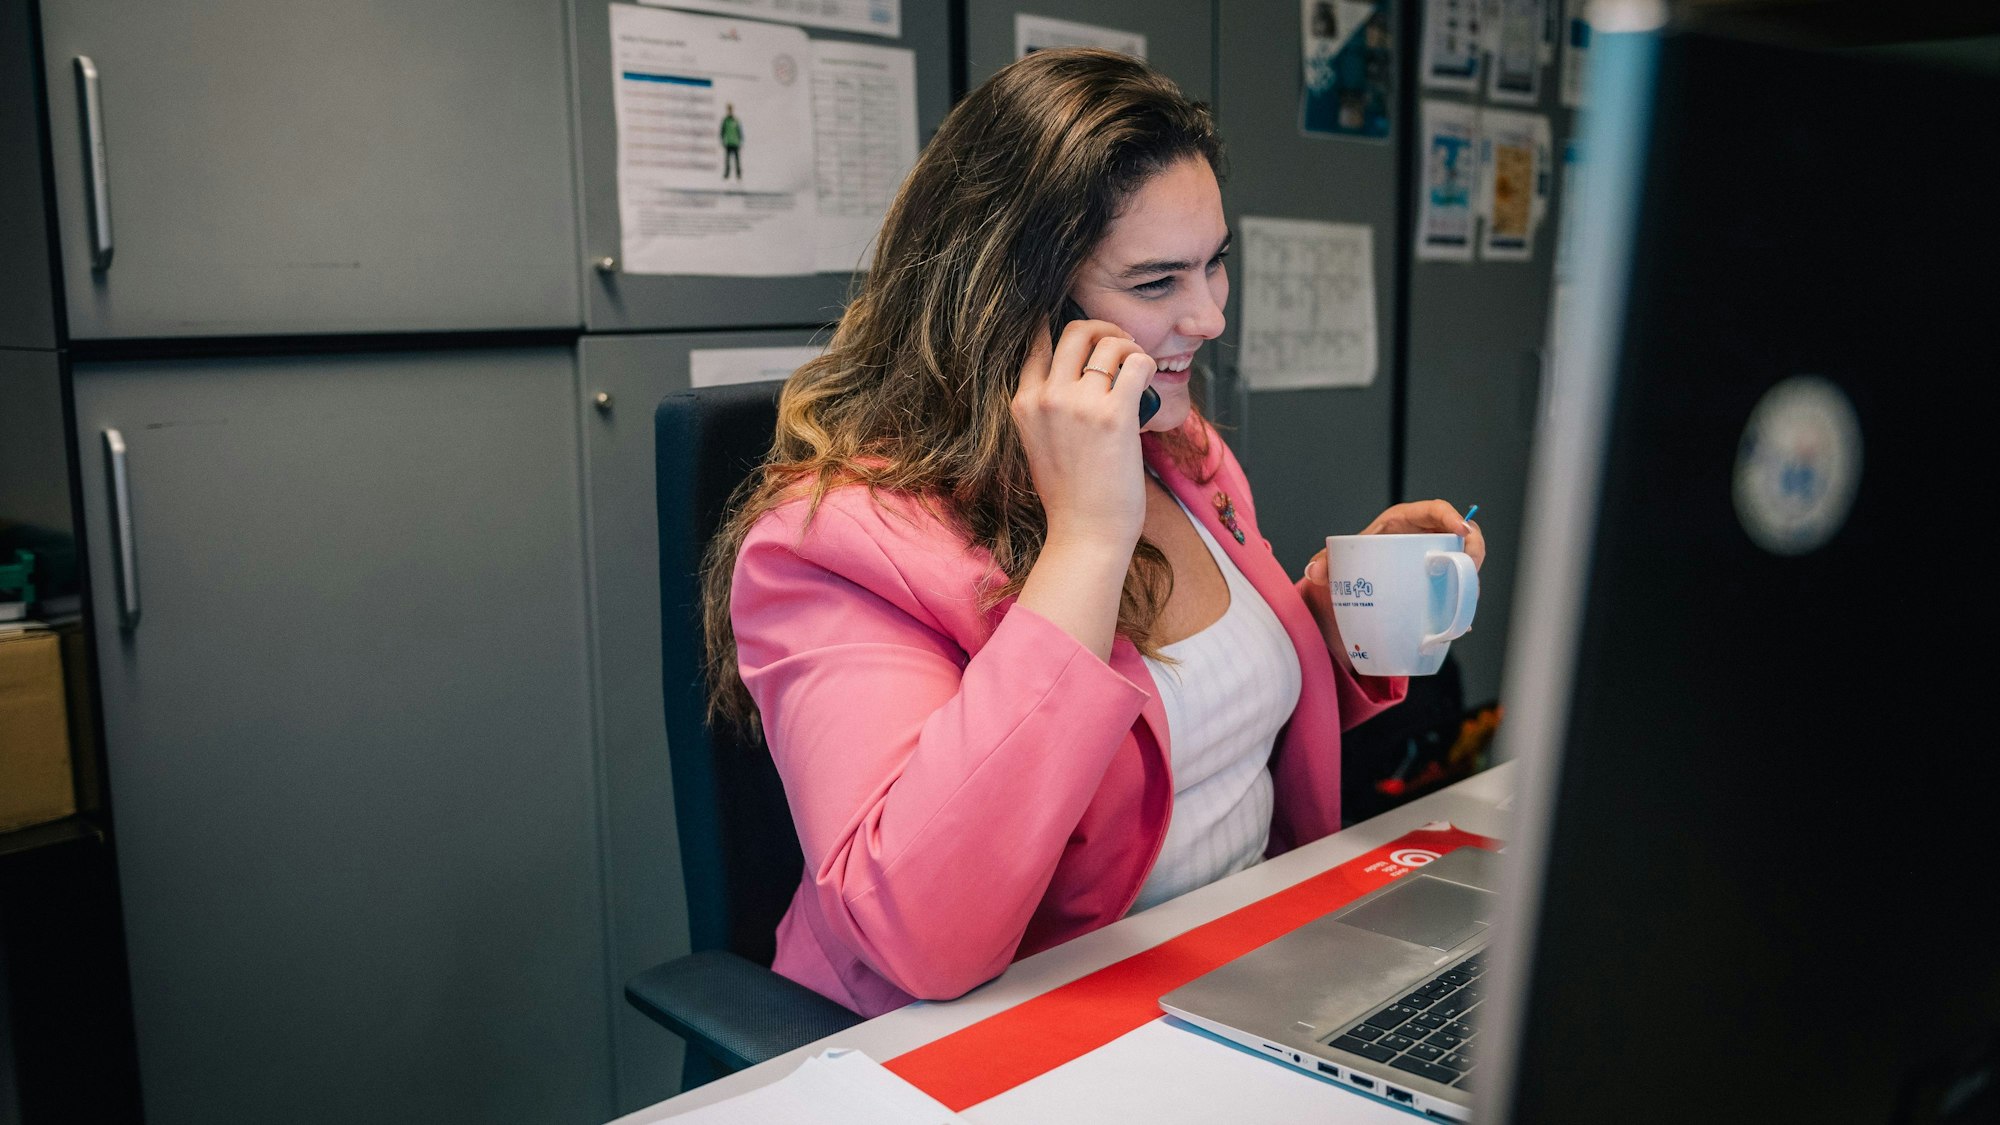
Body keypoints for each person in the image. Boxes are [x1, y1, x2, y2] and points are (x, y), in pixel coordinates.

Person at [701, 48, 1486, 1017]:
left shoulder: (1176, 446)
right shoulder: (831, 545)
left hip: (1234, 982)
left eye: (1214, 264)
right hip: (995, 1047)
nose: (1204, 316)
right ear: (1015, 303)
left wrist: (1339, 613)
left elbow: (1208, 715)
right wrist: (1084, 542)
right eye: (1155, 282)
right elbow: (918, 934)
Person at [720, 103, 742, 180]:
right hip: (728, 143)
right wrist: (722, 140)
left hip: (735, 143)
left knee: (736, 160)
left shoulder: (735, 120)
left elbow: (739, 131)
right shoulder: (725, 120)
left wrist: (740, 140)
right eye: (728, 109)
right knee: (727, 160)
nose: (730, 111)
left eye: (731, 109)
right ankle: (727, 174)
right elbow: (722, 131)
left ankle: (738, 174)